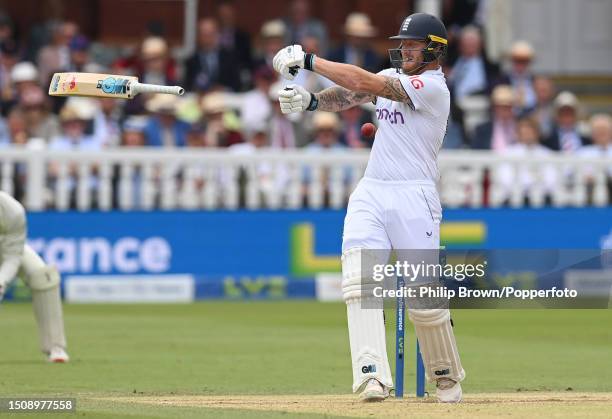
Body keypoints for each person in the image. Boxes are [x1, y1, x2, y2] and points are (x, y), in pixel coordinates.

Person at [272, 13, 464, 402]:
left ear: (434, 49)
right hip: (372, 189)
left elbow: (364, 82)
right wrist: (311, 102)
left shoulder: (433, 89)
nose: (405, 49)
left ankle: (445, 374)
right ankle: (372, 374)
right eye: (403, 43)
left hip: (415, 196)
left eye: (413, 44)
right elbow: (350, 95)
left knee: (423, 295)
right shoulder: (392, 78)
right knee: (360, 282)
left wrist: (310, 61)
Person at [0, 191, 69, 362]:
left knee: (44, 276)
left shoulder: (13, 211)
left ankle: (55, 347)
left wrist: (1, 282)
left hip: (4, 248)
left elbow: (12, 257)